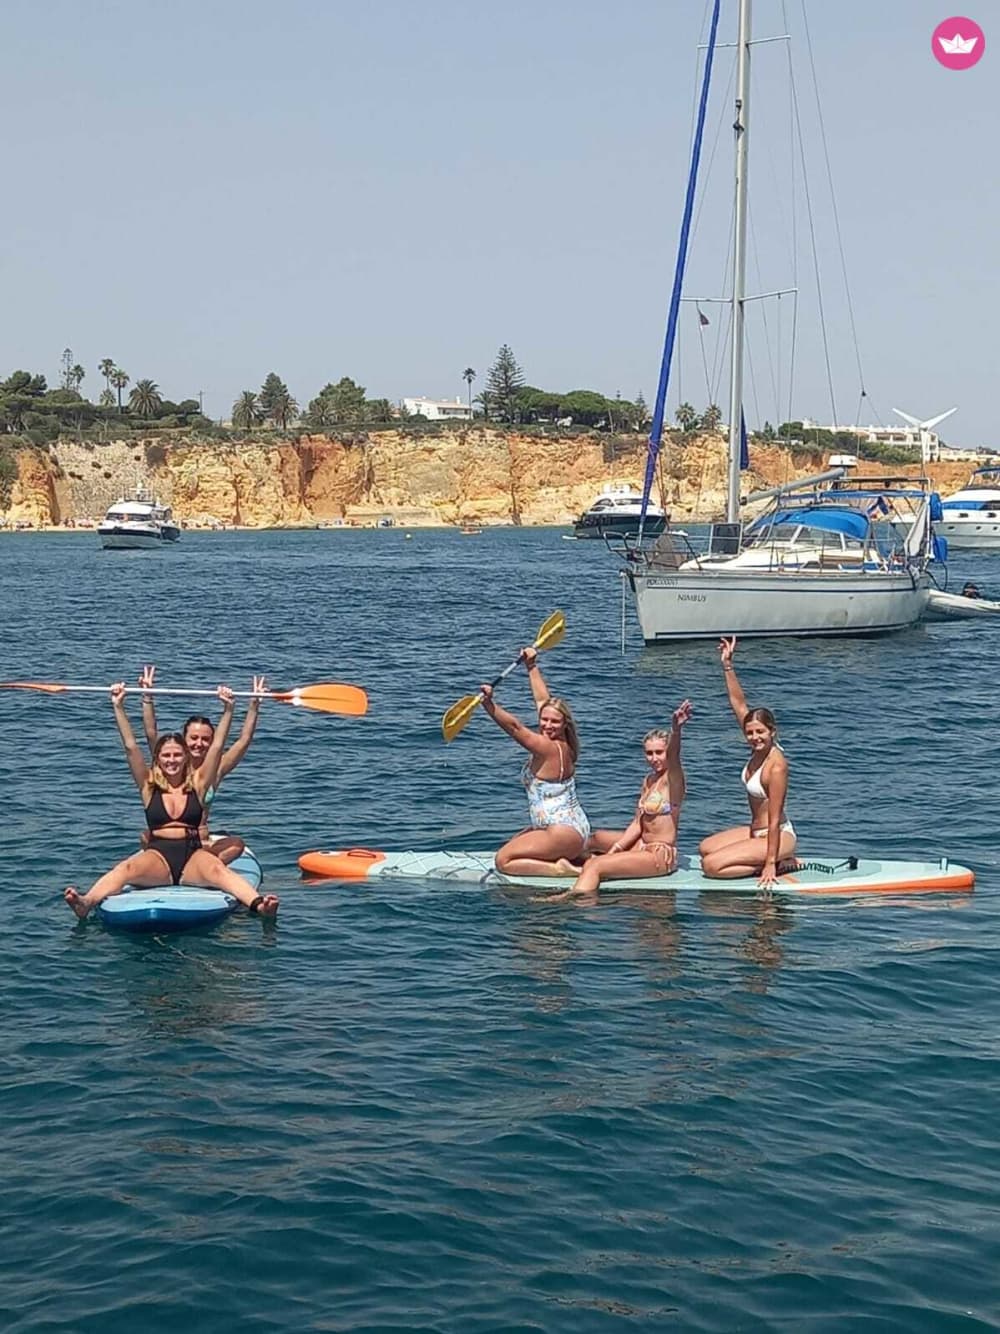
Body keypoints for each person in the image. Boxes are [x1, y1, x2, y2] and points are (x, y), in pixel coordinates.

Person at [64, 682, 279, 919]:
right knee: (126, 868)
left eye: (177, 755)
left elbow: (218, 747)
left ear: (185, 756)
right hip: (159, 856)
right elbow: (130, 746)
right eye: (166, 755)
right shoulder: (148, 785)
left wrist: (228, 709)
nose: (172, 760)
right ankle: (86, 902)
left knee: (219, 871)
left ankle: (259, 905)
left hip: (193, 855)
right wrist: (118, 706)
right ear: (157, 758)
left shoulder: (199, 783)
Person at [545, 700, 693, 902]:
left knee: (595, 866)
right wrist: (616, 849)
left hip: (659, 855)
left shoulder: (673, 780)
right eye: (649, 753)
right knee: (593, 839)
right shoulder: (649, 780)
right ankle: (564, 866)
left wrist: (676, 730)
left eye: (659, 752)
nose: (654, 758)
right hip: (641, 845)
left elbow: (675, 756)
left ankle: (575, 898)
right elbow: (637, 823)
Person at [479, 645, 590, 876]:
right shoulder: (567, 745)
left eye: (554, 722)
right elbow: (542, 700)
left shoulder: (546, 748)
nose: (547, 725)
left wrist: (490, 706)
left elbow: (515, 728)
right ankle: (569, 856)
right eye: (544, 720)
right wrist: (531, 666)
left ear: (565, 724)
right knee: (517, 841)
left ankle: (559, 868)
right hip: (576, 829)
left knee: (503, 860)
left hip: (561, 834)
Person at [138, 664, 264, 864]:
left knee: (237, 844)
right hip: (169, 842)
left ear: (213, 742)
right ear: (183, 740)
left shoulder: (216, 768)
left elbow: (244, 740)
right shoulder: (170, 765)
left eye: (206, 739)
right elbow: (151, 734)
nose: (199, 744)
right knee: (146, 836)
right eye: (194, 738)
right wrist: (147, 696)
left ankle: (201, 865)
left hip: (200, 842)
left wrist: (254, 704)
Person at [698, 636, 796, 887]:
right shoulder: (756, 747)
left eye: (760, 732)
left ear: (772, 732)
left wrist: (770, 863)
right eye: (750, 733)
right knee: (705, 848)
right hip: (755, 832)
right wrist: (727, 665)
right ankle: (768, 857)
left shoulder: (776, 766)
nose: (755, 737)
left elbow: (774, 818)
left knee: (711, 866)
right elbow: (739, 703)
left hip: (777, 834)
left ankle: (778, 861)